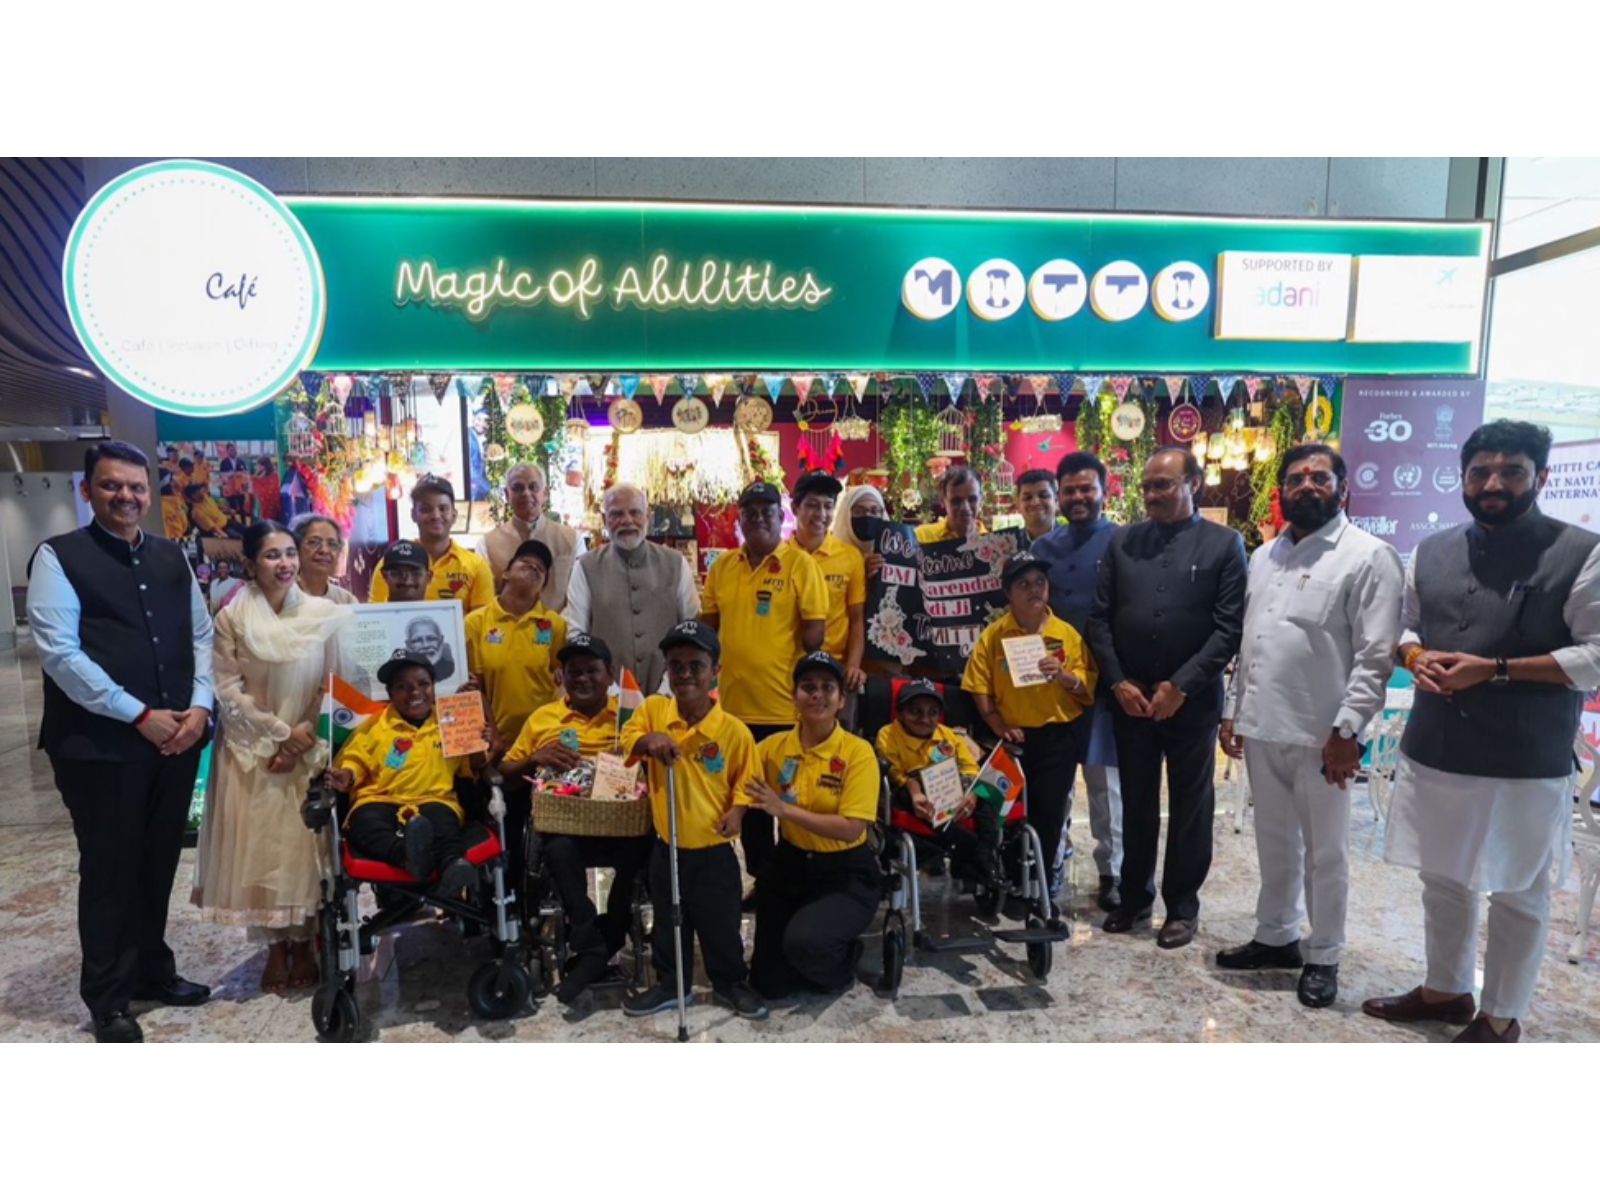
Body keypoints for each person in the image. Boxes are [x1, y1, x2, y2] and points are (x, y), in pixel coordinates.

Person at [1363, 420, 1600, 1042]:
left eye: (1511, 471)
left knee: (1519, 888)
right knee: (1442, 876)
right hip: (1438, 747)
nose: (1493, 483)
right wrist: (1417, 659)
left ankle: (1501, 1016)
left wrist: (1494, 669)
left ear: (1540, 477)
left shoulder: (1581, 551)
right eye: (1480, 472)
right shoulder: (1431, 550)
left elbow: (1596, 655)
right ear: (1463, 479)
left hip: (1524, 756)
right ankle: (1445, 990)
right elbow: (1405, 629)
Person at [26, 440, 216, 1042]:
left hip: (177, 737)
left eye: (136, 487)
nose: (126, 496)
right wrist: (139, 715)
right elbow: (60, 653)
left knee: (158, 859)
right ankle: (108, 997)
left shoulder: (170, 556)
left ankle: (151, 972)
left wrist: (200, 708)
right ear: (88, 491)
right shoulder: (59, 557)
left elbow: (202, 635)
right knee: (110, 867)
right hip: (98, 745)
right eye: (112, 486)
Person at [1216, 445, 1403, 1008]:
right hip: (1264, 726)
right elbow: (1253, 643)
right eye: (1296, 478)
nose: (1307, 486)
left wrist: (1347, 733)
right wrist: (1234, 712)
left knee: (1326, 853)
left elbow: (1377, 656)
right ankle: (1276, 937)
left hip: (1327, 737)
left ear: (1342, 489)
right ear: (1282, 491)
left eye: (1320, 477)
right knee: (1275, 844)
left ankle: (1324, 953)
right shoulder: (1264, 556)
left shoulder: (1369, 557)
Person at [1087, 447, 1246, 949]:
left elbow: (1228, 629)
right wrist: (1118, 681)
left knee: (1191, 803)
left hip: (1190, 702)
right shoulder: (1122, 542)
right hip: (1131, 699)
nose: (1153, 494)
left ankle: (1182, 907)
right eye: (1148, 486)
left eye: (1165, 485)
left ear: (1193, 484)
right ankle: (1134, 898)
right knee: (1135, 801)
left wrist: (1182, 685)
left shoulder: (1225, 544)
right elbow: (1099, 618)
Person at [192, 521, 348, 991]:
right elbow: (226, 688)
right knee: (262, 852)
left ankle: (303, 943)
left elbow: (336, 681)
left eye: (288, 555)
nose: (284, 564)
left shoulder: (325, 613)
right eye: (272, 556)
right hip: (251, 751)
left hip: (308, 747)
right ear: (251, 564)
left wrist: (303, 739)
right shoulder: (233, 617)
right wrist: (279, 735)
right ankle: (275, 948)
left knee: (302, 851)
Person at [619, 621, 768, 1020]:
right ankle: (671, 983)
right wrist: (648, 740)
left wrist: (737, 811)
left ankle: (731, 981)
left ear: (715, 671)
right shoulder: (653, 710)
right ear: (667, 669)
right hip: (667, 848)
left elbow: (747, 783)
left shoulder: (733, 731)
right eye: (676, 665)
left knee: (721, 922)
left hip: (714, 850)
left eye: (696, 666)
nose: (685, 674)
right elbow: (624, 736)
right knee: (668, 920)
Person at [501, 634, 651, 1004]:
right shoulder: (544, 718)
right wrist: (537, 757)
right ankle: (589, 938)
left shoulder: (629, 714)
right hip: (567, 820)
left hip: (622, 819)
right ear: (561, 676)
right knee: (558, 849)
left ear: (610, 674)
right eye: (573, 672)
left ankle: (610, 935)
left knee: (641, 847)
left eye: (591, 671)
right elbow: (505, 768)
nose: (582, 678)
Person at [700, 480, 828, 894]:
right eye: (750, 511)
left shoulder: (800, 565)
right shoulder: (722, 567)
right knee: (752, 805)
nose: (758, 518)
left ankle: (799, 881)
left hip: (784, 712)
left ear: (780, 515)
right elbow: (709, 629)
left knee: (791, 801)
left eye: (766, 511)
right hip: (735, 711)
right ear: (739, 516)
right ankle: (764, 881)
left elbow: (814, 635)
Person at [962, 552, 1096, 918]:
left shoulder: (1065, 634)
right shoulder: (994, 636)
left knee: (1049, 817)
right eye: (1023, 584)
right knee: (1005, 814)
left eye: (1040, 582)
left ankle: (1041, 889)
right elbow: (977, 684)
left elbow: (1086, 686)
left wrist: (1064, 675)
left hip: (1056, 740)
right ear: (1009, 593)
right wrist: (996, 724)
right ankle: (1007, 882)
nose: (1034, 590)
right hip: (1011, 742)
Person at [747, 652, 882, 999]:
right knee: (768, 985)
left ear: (841, 700)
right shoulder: (773, 748)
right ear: (794, 697)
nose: (817, 695)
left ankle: (847, 957)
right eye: (808, 687)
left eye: (827, 687)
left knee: (807, 947)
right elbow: (734, 772)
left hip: (846, 872)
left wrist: (784, 811)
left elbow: (852, 828)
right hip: (791, 864)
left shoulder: (858, 753)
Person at [1032, 451, 1124, 911]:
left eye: (1086, 488)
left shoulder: (1124, 542)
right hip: (1053, 683)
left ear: (1105, 492)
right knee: (1052, 784)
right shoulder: (1045, 548)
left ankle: (1113, 872)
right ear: (1059, 496)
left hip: (1107, 683)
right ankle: (1046, 864)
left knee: (1106, 782)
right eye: (1069, 490)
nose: (1078, 496)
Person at [325, 652, 494, 898]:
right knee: (363, 822)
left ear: (434, 686)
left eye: (423, 684)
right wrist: (347, 775)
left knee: (443, 821)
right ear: (391, 693)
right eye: (403, 687)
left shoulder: (451, 721)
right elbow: (355, 760)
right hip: (381, 800)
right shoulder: (374, 726)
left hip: (434, 799)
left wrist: (480, 744)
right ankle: (406, 855)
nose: (415, 692)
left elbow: (472, 767)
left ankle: (452, 867)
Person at [563, 483, 700, 695]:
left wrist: (668, 686)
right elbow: (576, 635)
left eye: (635, 512)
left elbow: (692, 630)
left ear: (648, 516)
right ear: (604, 520)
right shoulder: (586, 567)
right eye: (617, 514)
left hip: (670, 694)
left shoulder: (675, 563)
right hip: (605, 697)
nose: (627, 521)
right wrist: (609, 688)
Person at [874, 677, 992, 885]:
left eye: (932, 712)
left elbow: (969, 766)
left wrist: (971, 793)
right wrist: (915, 789)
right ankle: (969, 852)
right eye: (915, 711)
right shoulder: (888, 734)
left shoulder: (949, 735)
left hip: (953, 787)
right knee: (962, 835)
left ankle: (982, 860)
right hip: (910, 791)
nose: (925, 719)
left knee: (988, 794)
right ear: (900, 713)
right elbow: (893, 771)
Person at [466, 539, 566, 750]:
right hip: (495, 741)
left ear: (542, 588)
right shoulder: (476, 623)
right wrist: (493, 736)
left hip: (543, 740)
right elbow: (475, 688)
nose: (533, 568)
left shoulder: (554, 624)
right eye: (525, 562)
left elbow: (561, 678)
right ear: (505, 573)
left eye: (540, 569)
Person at [790, 470, 868, 692]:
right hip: (788, 667)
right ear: (796, 509)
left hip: (835, 668)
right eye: (813, 505)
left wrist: (853, 665)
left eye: (828, 506)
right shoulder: (781, 557)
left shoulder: (850, 557)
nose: (821, 513)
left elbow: (856, 619)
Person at [369, 476, 494, 612]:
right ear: (413, 515)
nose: (435, 515)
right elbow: (376, 617)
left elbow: (481, 625)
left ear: (454, 514)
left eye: (443, 508)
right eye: (426, 509)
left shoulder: (476, 567)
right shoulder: (391, 565)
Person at [480, 463, 584, 611]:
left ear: (545, 493)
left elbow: (579, 600)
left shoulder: (573, 539)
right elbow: (487, 602)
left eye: (533, 487)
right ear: (506, 494)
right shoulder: (487, 544)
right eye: (518, 488)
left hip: (560, 631)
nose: (526, 493)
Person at [290, 513, 356, 605]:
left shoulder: (346, 600)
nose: (324, 550)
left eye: (332, 544)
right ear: (296, 547)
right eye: (314, 542)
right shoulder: (282, 597)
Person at [915, 465, 986, 544]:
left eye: (972, 499)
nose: (965, 507)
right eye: (956, 501)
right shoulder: (922, 537)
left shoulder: (993, 544)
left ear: (981, 500)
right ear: (942, 500)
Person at [1015, 468, 1061, 540]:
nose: (1035, 503)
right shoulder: (1007, 545)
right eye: (1027, 497)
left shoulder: (1074, 541)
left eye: (1043, 495)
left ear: (1056, 501)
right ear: (1018, 503)